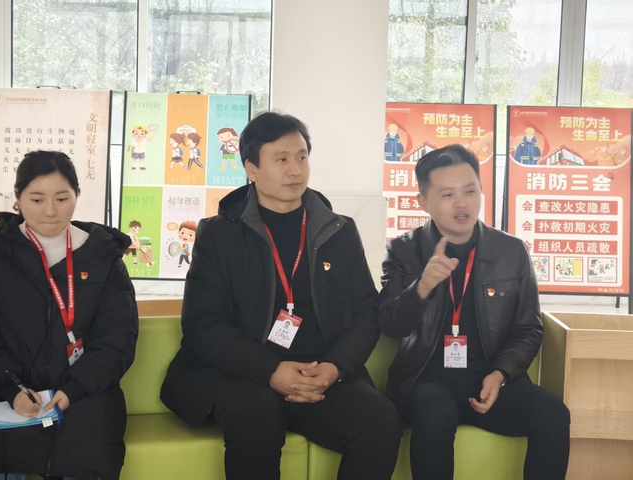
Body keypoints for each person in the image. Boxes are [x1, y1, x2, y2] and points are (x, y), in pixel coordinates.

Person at [160, 112, 401, 480]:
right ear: (251, 169)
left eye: (302, 157)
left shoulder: (338, 231)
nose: (295, 170)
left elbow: (366, 310)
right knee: (256, 414)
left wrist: (335, 368)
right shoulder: (219, 234)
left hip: (319, 373)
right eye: (282, 159)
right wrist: (271, 371)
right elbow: (202, 324)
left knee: (380, 419)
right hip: (240, 375)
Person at [378, 145, 570, 480]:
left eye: (470, 191)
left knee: (553, 414)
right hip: (425, 380)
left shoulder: (511, 251)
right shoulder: (403, 250)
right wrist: (423, 286)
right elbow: (390, 324)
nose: (462, 203)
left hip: (490, 379)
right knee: (435, 411)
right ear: (423, 201)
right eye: (448, 194)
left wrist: (501, 373)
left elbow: (528, 328)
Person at [0, 151, 139, 479]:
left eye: (62, 198)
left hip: (86, 395)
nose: (50, 210)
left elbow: (118, 338)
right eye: (36, 199)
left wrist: (74, 389)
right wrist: (11, 387)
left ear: (76, 195)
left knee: (86, 453)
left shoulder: (102, 255)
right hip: (8, 396)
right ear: (17, 198)